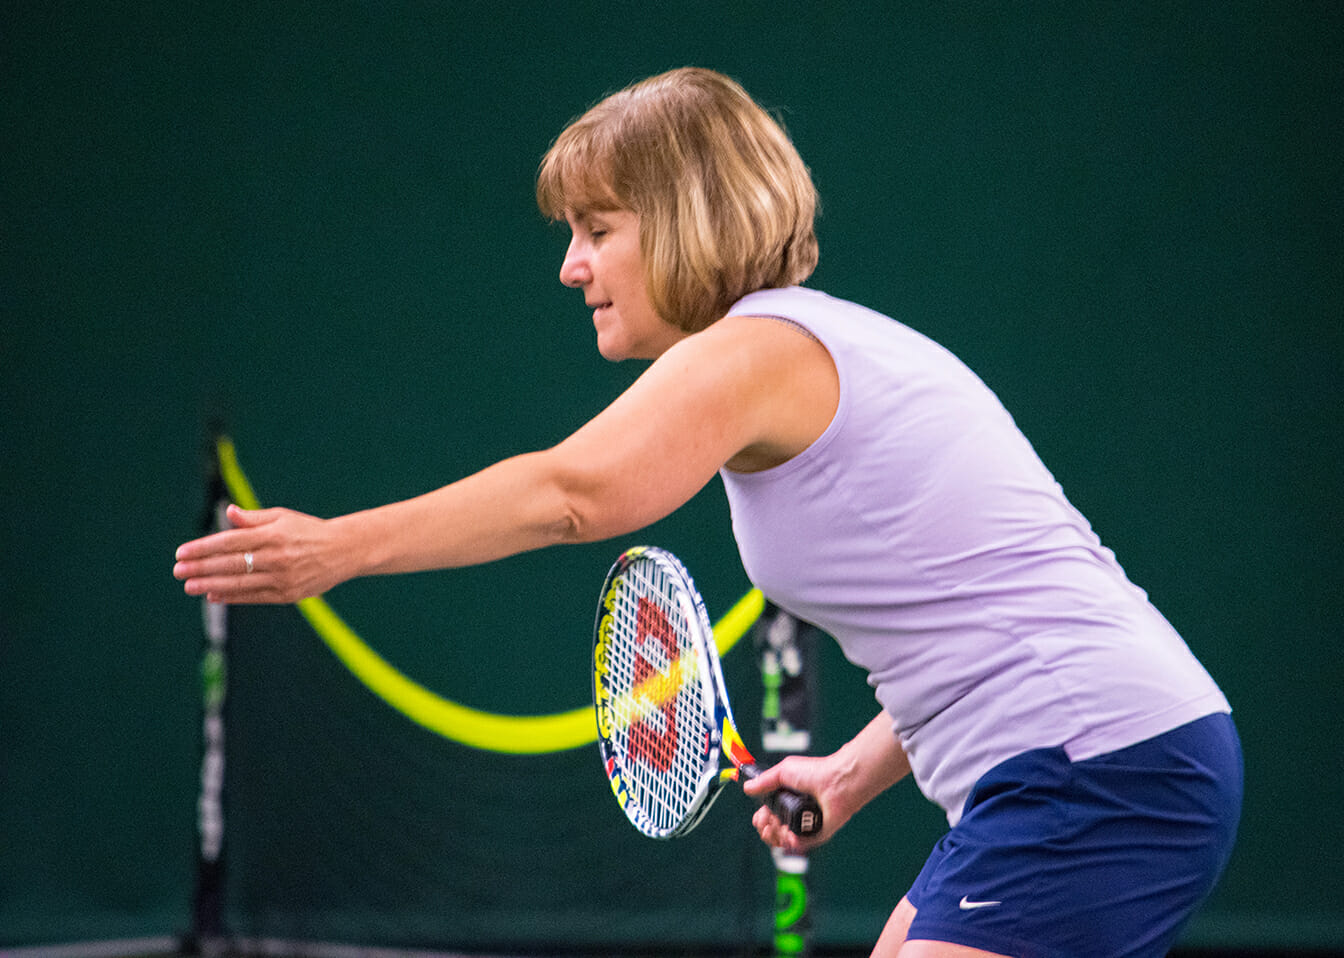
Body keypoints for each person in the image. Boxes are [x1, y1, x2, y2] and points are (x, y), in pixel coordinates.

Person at [173, 67, 1242, 957]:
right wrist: (851, 774)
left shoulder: (759, 353)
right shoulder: (802, 352)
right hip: (1085, 760)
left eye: (598, 228)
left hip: (1102, 770)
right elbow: (979, 630)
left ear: (685, 220)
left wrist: (340, 548)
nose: (570, 265)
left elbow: (572, 492)